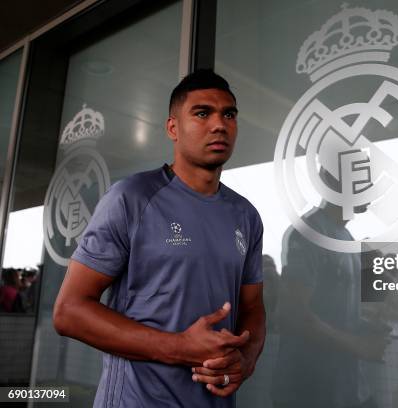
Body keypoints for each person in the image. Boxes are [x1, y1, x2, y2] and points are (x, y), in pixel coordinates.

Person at [53, 69, 266, 407]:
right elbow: (68, 311)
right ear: (172, 128)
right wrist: (180, 347)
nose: (219, 124)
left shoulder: (246, 216)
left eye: (229, 114)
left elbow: (253, 308)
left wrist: (246, 359)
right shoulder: (131, 198)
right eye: (201, 113)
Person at [273, 169, 388, 408]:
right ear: (331, 180)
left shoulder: (346, 238)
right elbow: (292, 316)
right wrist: (360, 346)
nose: (367, 185)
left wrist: (365, 324)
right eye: (358, 175)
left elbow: (329, 310)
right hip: (308, 390)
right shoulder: (309, 233)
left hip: (348, 386)